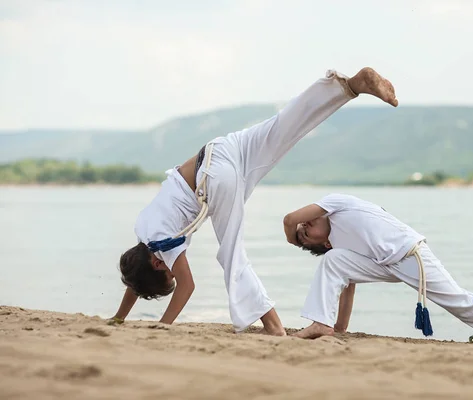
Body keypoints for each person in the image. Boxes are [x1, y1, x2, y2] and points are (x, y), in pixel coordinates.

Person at [109, 67, 400, 336]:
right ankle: (349, 87)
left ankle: (273, 324)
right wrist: (119, 318)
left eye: (168, 274)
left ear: (158, 266)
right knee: (285, 126)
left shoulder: (161, 246)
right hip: (220, 150)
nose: (174, 270)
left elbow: (187, 286)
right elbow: (136, 279)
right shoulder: (144, 233)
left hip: (215, 179)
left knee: (232, 256)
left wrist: (164, 327)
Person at [283, 193, 473, 347]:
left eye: (306, 224)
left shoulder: (336, 203)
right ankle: (322, 324)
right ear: (325, 242)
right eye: (305, 233)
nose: (305, 224)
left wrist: (291, 237)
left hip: (410, 254)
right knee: (333, 262)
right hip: (386, 264)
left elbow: (289, 220)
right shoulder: (338, 248)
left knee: (457, 301)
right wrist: (339, 328)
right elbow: (345, 287)